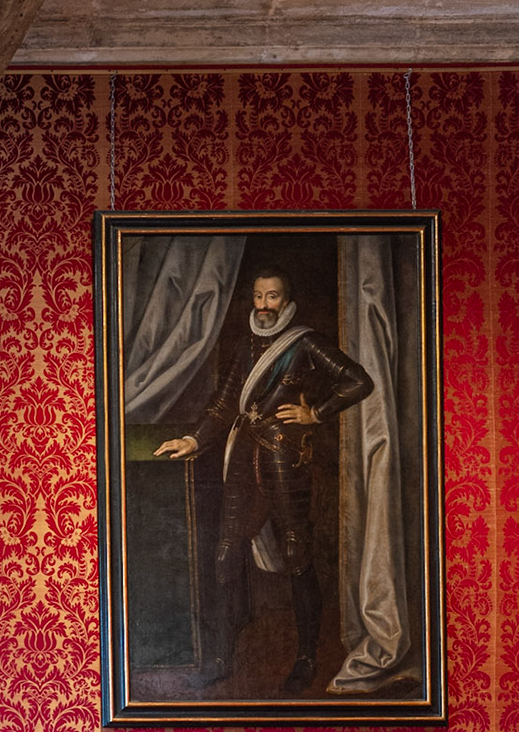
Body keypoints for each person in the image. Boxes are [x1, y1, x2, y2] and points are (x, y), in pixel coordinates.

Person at [155, 268, 373, 694]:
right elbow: (223, 404)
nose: (263, 305)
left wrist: (316, 413)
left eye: (272, 296)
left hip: (289, 461)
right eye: (258, 296)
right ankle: (220, 657)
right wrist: (192, 438)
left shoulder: (306, 343)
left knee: (296, 553)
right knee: (225, 553)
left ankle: (307, 658)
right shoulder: (245, 344)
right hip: (242, 459)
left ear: (286, 300)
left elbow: (358, 381)